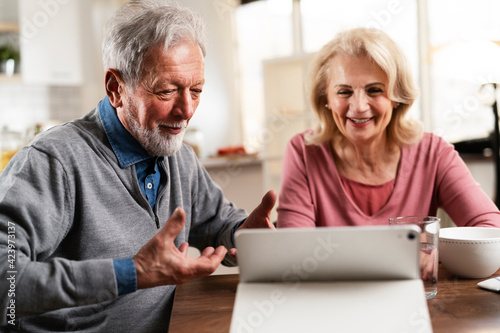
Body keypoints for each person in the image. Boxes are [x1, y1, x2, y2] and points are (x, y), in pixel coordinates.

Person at [0, 1, 276, 332]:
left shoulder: (179, 158)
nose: (186, 110)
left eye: (196, 90)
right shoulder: (53, 162)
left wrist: (243, 235)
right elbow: (7, 280)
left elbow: (218, 221)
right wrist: (131, 272)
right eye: (167, 91)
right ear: (116, 88)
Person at [277, 27, 500, 229]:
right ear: (325, 98)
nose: (359, 107)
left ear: (397, 98)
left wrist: (430, 248)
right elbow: (294, 248)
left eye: (374, 90)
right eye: (344, 92)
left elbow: (490, 228)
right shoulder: (303, 151)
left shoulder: (432, 153)